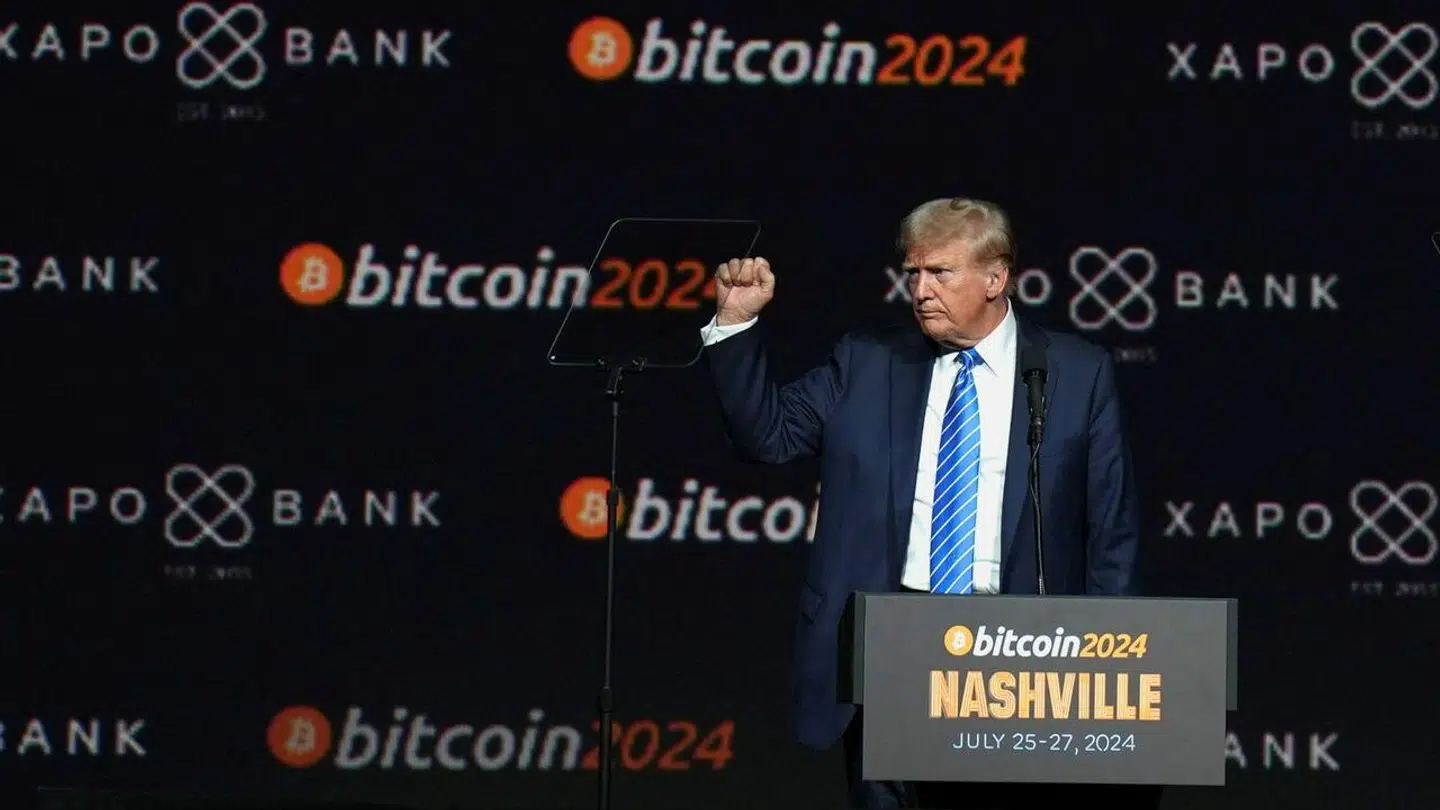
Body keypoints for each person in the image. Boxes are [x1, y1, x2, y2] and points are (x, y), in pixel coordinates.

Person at [698, 198, 1158, 810]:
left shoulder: (1076, 372)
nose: (920, 291)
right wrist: (734, 323)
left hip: (1020, 658)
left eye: (940, 272)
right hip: (890, 647)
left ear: (995, 278)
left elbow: (1111, 532)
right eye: (912, 273)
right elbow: (767, 436)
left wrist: (1105, 668)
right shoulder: (867, 361)